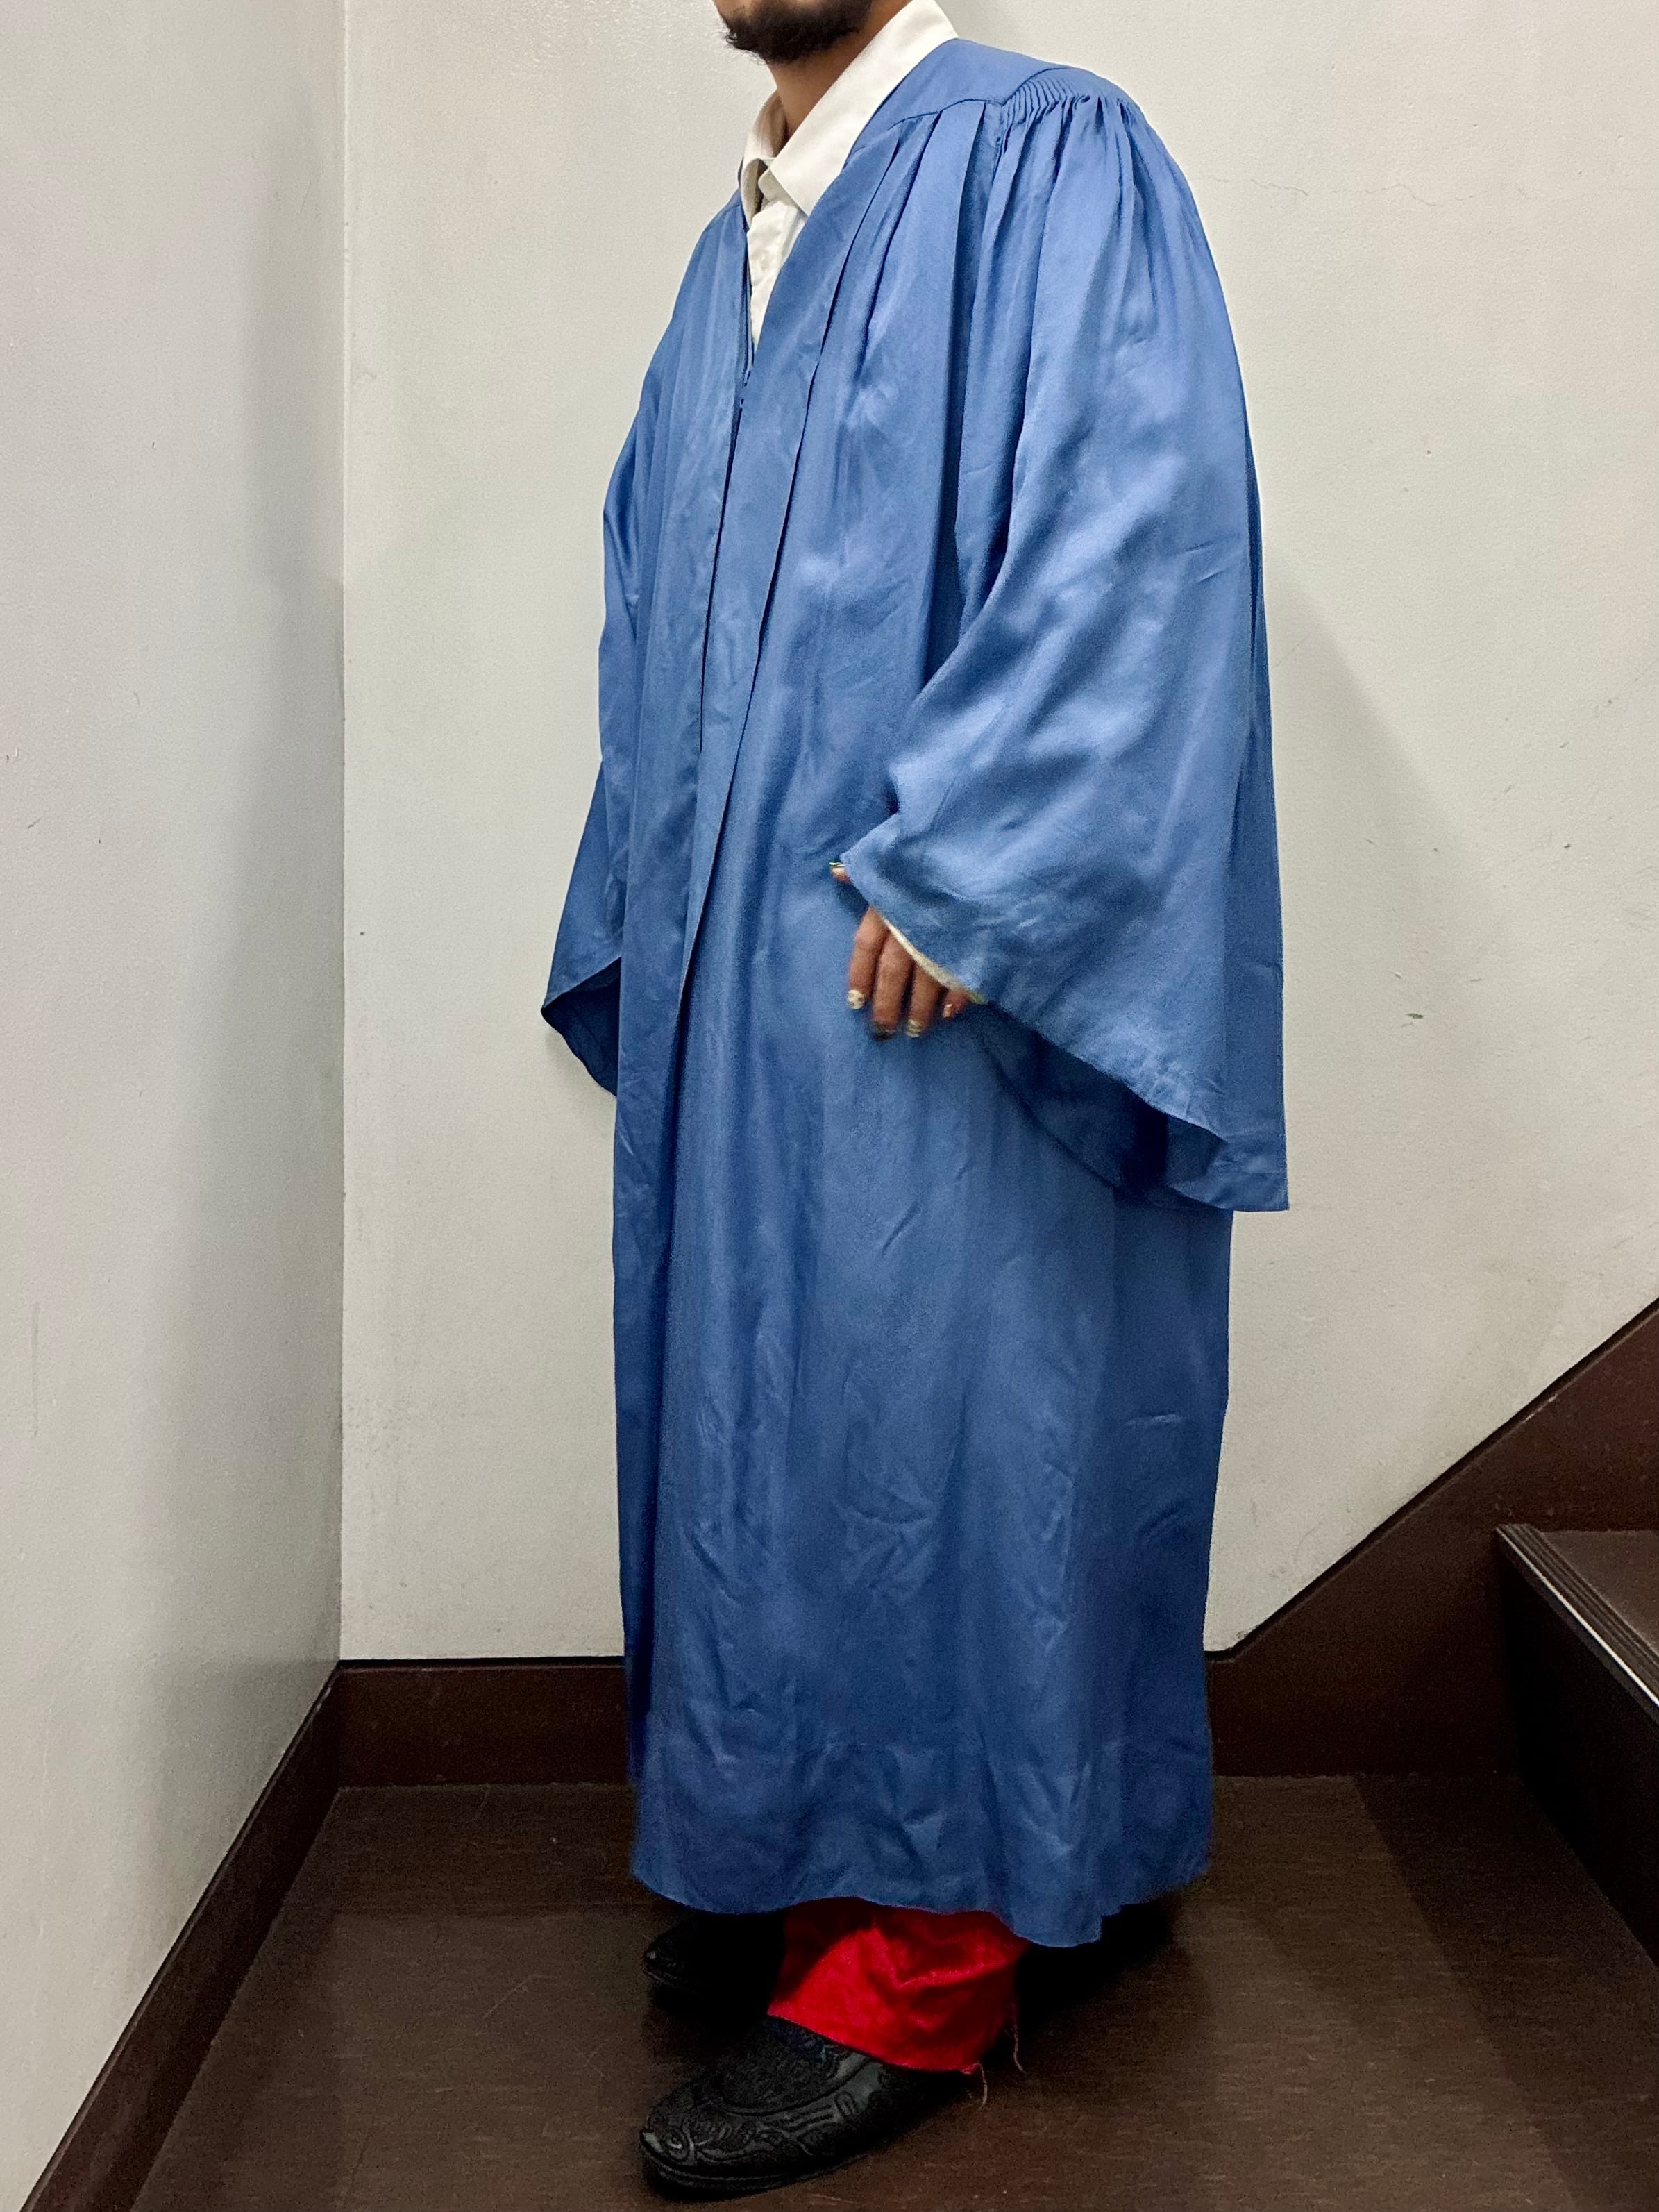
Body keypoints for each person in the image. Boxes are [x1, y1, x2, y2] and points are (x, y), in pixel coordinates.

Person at [542, 0, 1287, 2193]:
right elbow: (649, 608)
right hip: (742, 988)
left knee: (959, 1429)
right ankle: (812, 1853)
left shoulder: (1054, 158)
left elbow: (1142, 520)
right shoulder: (736, 251)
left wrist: (985, 860)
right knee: (780, 1434)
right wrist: (652, 900)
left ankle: (928, 1949)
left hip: (938, 975)